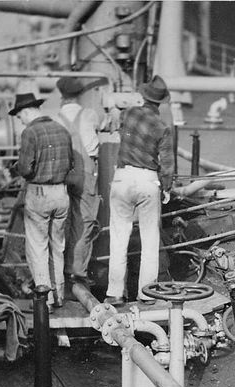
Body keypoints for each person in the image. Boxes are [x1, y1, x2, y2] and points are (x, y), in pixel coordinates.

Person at [105, 75, 174, 305]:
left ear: (144, 97)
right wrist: (167, 187)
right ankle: (146, 294)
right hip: (148, 180)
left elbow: (117, 118)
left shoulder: (129, 114)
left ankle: (114, 293)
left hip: (123, 178)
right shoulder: (163, 128)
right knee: (150, 240)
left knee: (118, 237)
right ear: (160, 103)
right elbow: (166, 163)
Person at [11, 91, 80, 309]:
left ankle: (45, 301)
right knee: (57, 247)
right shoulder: (62, 130)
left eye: (19, 115)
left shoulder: (30, 132)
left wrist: (15, 168)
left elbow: (24, 168)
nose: (20, 119)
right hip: (61, 194)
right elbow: (70, 163)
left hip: (39, 194)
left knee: (37, 248)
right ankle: (58, 296)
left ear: (27, 111)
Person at [56, 76, 102, 287]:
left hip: (63, 173)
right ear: (80, 95)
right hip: (86, 172)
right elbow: (105, 124)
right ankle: (78, 271)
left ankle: (59, 272)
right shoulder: (90, 114)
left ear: (62, 96)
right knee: (84, 222)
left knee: (61, 221)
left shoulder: (56, 118)